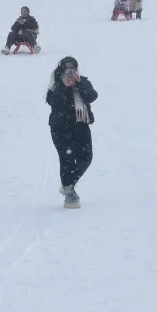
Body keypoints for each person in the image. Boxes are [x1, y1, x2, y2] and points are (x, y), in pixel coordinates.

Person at [46, 56, 98, 209]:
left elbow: (92, 96)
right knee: (67, 158)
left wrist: (80, 83)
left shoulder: (82, 81)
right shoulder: (54, 84)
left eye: (72, 68)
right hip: (60, 126)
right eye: (66, 68)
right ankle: (69, 193)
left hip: (81, 125)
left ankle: (68, 184)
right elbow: (53, 102)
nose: (69, 71)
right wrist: (63, 86)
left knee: (86, 157)